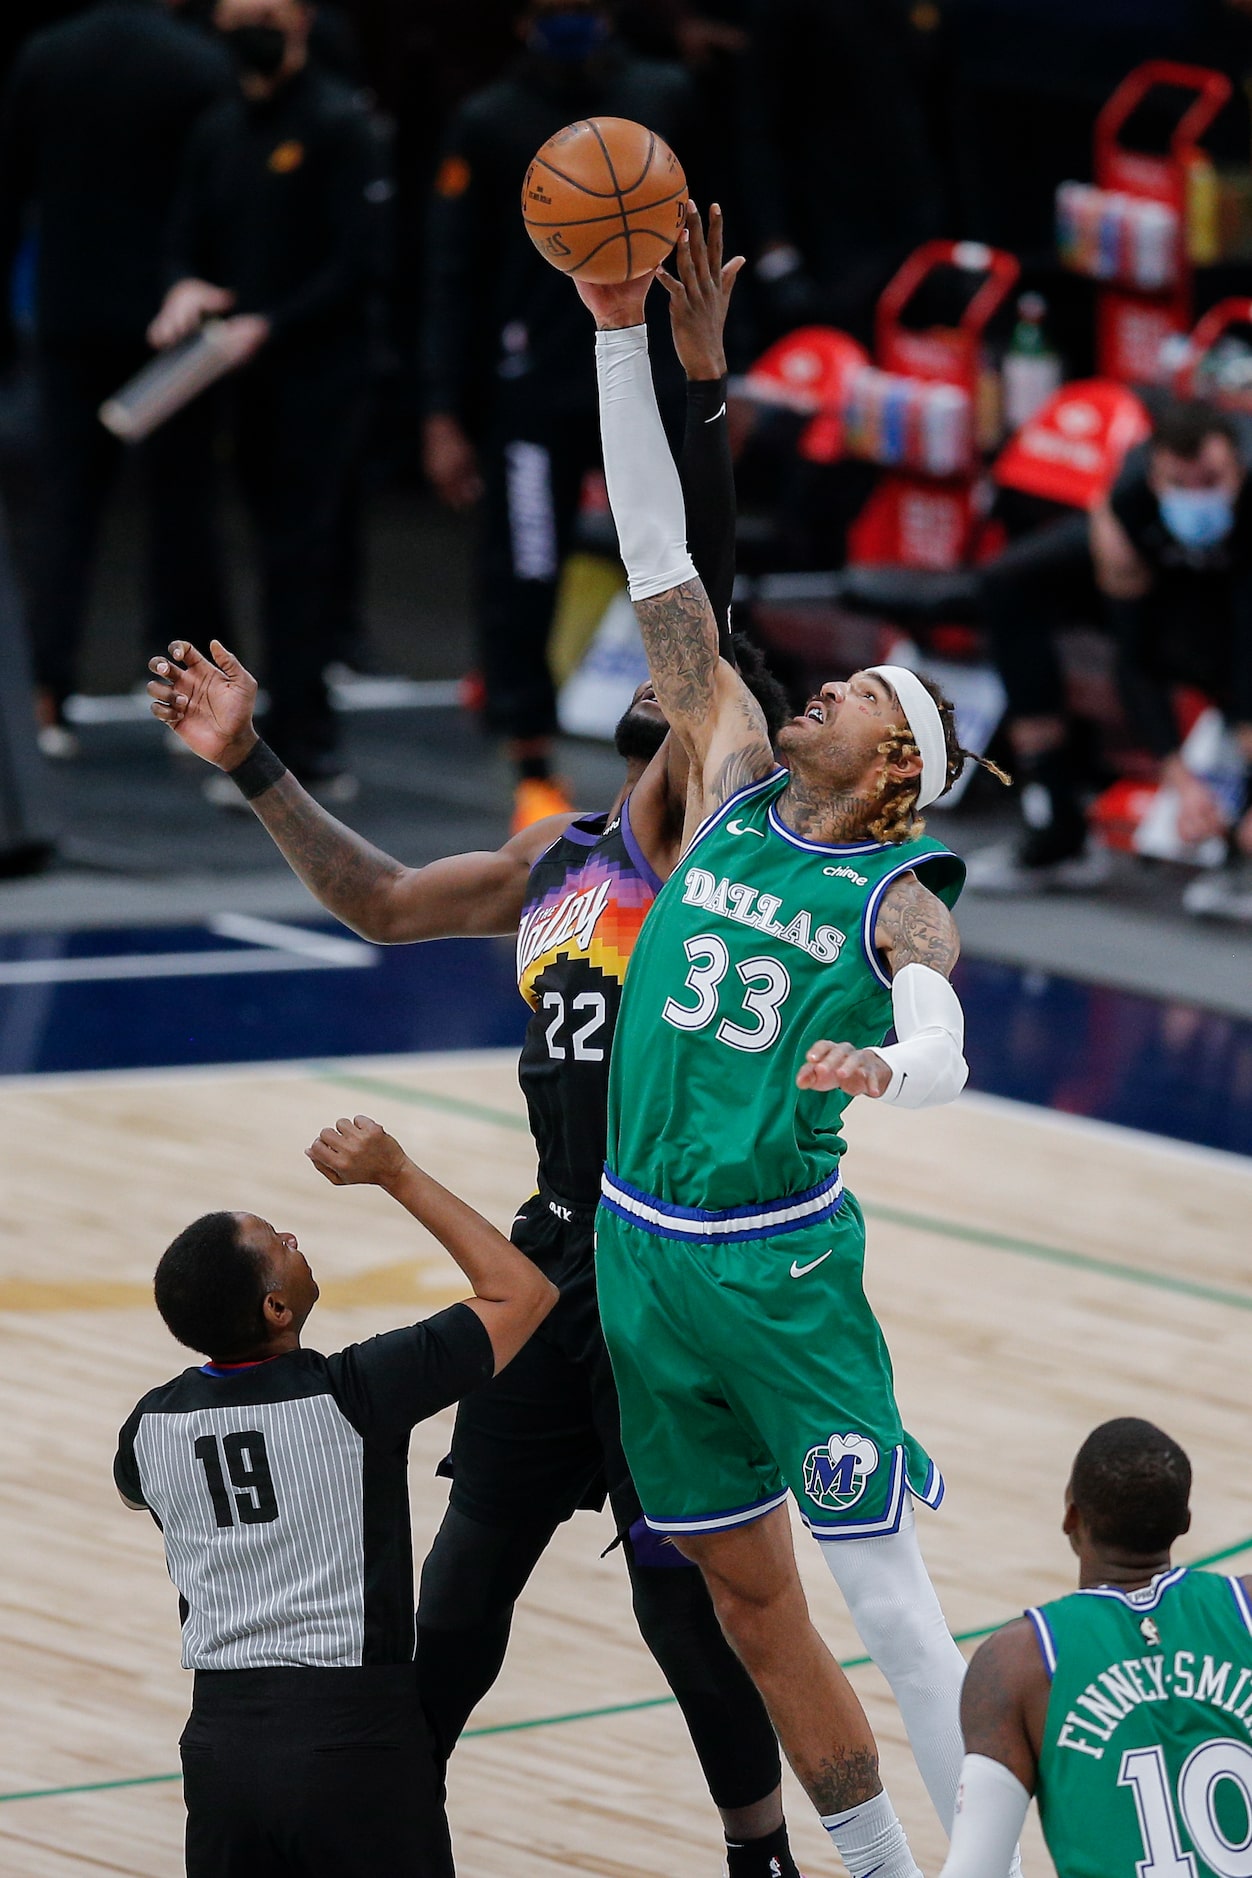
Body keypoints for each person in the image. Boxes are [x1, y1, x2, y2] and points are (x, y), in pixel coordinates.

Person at [145, 211, 809, 1878]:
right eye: (657, 692)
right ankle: (384, 1827)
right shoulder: (554, 862)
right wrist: (251, 760)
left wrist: (688, 387)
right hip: (552, 1251)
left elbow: (685, 579)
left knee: (689, 1606)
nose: (665, 696)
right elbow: (372, 897)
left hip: (671, 1269)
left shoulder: (724, 854)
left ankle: (760, 1851)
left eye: (694, 688)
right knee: (461, 1585)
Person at [579, 203, 1012, 1878]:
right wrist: (619, 333)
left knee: (886, 1590)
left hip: (778, 1270)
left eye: (860, 697)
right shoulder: (734, 768)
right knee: (751, 1599)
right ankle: (880, 1868)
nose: (818, 689)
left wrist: (886, 1070)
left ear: (896, 768)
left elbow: (946, 1027)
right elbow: (654, 559)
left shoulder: (896, 886)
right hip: (638, 1243)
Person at [114, 1113, 557, 1877]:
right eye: (275, 1244)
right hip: (354, 1742)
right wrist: (396, 1173)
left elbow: (138, 1491)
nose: (291, 1237)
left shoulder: (149, 1427)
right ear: (275, 1312)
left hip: (218, 1753)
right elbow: (522, 1291)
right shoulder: (355, 1392)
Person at [420, 0, 701, 831]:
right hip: (534, 394)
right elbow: (451, 275)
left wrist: (728, 374)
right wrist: (442, 410)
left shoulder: (666, 98)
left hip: (657, 381)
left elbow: (713, 239)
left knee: (677, 568)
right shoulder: (490, 118)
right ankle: (532, 764)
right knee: (526, 575)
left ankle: (699, 760)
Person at [148, 0, 390, 797]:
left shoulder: (338, 123)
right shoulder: (218, 128)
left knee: (301, 563)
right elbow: (185, 231)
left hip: (318, 378)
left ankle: (306, 744)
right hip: (233, 381)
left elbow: (358, 263)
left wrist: (271, 323)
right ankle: (230, 727)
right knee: (232, 552)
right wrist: (183, 282)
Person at [0, 0, 231, 755]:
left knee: (60, 512)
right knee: (181, 516)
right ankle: (187, 704)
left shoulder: (47, 52)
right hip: (165, 325)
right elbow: (212, 194)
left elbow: (11, 185)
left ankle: (44, 696)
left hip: (66, 312)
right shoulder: (196, 63)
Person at [939, 1417, 1252, 1878]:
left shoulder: (1018, 1661)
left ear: (1070, 1516)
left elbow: (975, 1869)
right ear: (1184, 1523)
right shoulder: (1244, 1611)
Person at [972, 398, 1252, 892]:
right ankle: (1058, 828)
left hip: (1236, 588)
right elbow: (1134, 652)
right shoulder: (1127, 501)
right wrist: (1177, 777)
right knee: (1008, 583)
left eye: (1210, 482)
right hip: (1169, 582)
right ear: (1155, 478)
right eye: (1178, 484)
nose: (1195, 496)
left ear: (1238, 471)